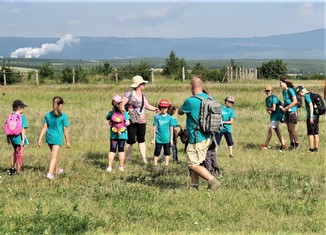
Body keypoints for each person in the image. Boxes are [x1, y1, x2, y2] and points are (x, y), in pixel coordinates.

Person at [178, 75, 221, 191]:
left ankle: (213, 181)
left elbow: (180, 111)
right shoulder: (210, 98)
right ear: (202, 86)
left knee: (192, 164)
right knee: (195, 161)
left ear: (192, 87)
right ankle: (194, 186)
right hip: (209, 136)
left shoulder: (191, 101)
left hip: (197, 138)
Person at [121, 75, 159, 165]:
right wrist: (126, 117)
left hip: (142, 121)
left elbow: (147, 105)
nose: (144, 85)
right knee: (130, 141)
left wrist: (155, 109)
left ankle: (143, 158)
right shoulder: (129, 94)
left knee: (141, 140)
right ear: (138, 85)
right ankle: (128, 159)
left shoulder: (143, 95)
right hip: (131, 121)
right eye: (142, 83)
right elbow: (121, 105)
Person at [38, 96, 71, 180]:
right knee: (54, 156)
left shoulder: (48, 115)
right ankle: (50, 173)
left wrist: (40, 138)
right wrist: (68, 141)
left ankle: (56, 169)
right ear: (60, 105)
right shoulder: (63, 116)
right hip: (57, 138)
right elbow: (65, 129)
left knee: (54, 154)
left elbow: (44, 127)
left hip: (49, 137)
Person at [106, 95, 130, 172]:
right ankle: (121, 167)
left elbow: (107, 117)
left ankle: (109, 167)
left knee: (112, 150)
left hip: (113, 135)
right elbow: (128, 122)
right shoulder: (124, 113)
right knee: (121, 150)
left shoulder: (111, 112)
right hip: (122, 135)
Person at [5, 100, 28, 175]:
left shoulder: (10, 116)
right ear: (19, 108)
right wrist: (23, 139)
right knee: (19, 153)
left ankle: (12, 168)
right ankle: (18, 171)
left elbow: (7, 127)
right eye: (23, 107)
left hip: (12, 137)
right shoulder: (22, 117)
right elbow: (23, 129)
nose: (23, 109)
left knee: (15, 152)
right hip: (19, 137)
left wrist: (7, 137)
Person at [260, 85, 286, 150]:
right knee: (277, 130)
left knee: (270, 130)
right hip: (273, 116)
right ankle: (283, 144)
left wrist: (267, 109)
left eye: (269, 90)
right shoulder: (267, 99)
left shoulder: (274, 98)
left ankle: (265, 145)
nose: (268, 92)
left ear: (271, 91)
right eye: (266, 91)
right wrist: (268, 110)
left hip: (277, 115)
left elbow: (273, 108)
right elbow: (270, 110)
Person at [296, 86, 319, 153]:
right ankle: (316, 149)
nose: (300, 95)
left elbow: (311, 106)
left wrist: (311, 117)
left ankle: (311, 149)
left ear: (301, 91)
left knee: (310, 133)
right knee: (316, 132)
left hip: (311, 117)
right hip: (316, 116)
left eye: (299, 93)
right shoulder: (311, 94)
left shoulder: (306, 96)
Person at [152, 99, 173, 170]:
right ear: (160, 108)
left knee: (167, 152)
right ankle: (155, 165)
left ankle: (166, 166)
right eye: (162, 107)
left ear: (168, 108)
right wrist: (154, 138)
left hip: (167, 139)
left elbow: (171, 128)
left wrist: (171, 139)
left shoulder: (170, 118)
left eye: (165, 108)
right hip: (159, 138)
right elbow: (155, 127)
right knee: (157, 152)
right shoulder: (157, 117)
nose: (164, 109)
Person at [279, 78, 299, 149]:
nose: (280, 84)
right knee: (289, 129)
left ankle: (296, 143)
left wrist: (286, 108)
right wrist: (283, 106)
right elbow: (286, 101)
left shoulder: (290, 90)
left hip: (292, 111)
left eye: (281, 83)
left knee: (292, 129)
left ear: (285, 83)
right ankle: (292, 143)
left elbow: (295, 101)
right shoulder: (284, 92)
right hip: (287, 112)